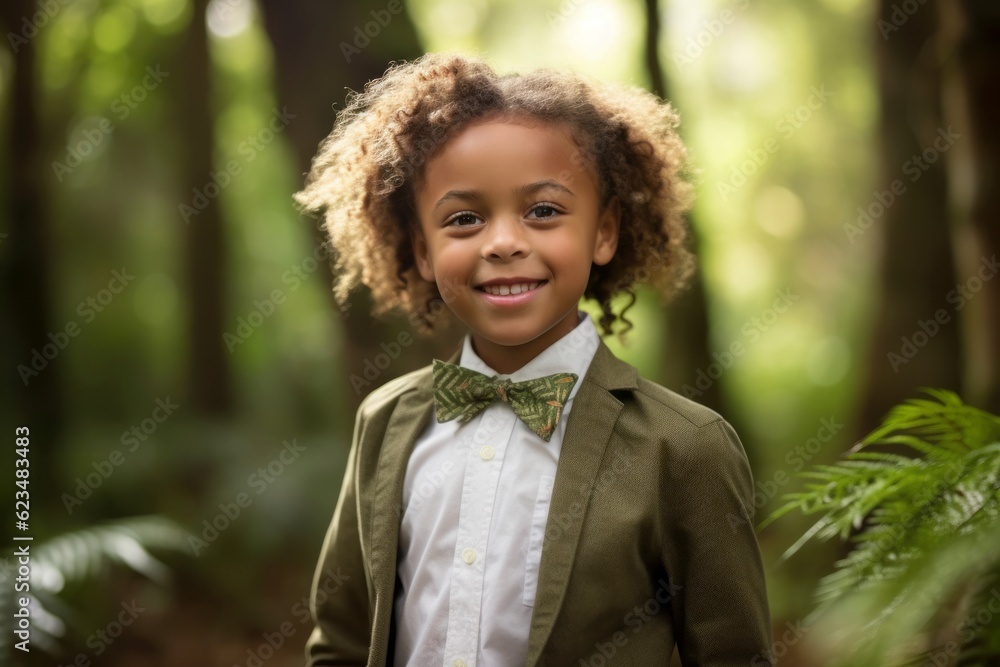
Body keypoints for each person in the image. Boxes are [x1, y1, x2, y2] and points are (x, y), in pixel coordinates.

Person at [295, 52, 772, 667]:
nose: (503, 243)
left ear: (604, 232)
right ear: (422, 251)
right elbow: (340, 638)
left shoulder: (683, 448)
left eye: (543, 210)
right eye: (464, 219)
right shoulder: (384, 422)